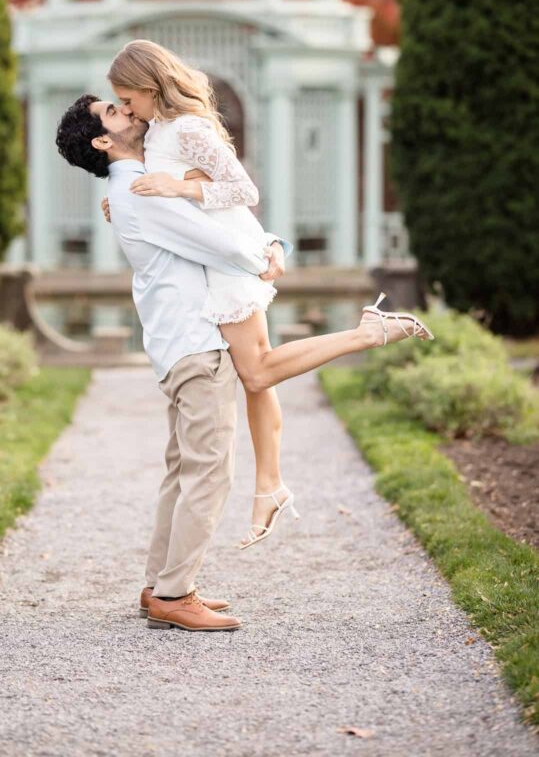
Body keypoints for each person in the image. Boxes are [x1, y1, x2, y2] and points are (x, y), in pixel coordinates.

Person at [55, 94, 433, 631]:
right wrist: (270, 254)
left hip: (176, 342)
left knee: (182, 470)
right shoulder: (139, 192)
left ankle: (159, 583)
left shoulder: (134, 185)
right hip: (194, 345)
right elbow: (218, 244)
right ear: (101, 140)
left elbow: (215, 220)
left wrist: (261, 240)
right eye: (113, 111)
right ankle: (174, 594)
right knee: (209, 473)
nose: (126, 109)